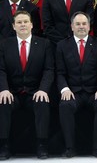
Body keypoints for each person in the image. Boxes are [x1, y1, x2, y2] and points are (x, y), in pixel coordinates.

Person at [0, 11, 54, 160]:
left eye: (25, 22)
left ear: (31, 24)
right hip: (13, 92)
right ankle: (3, 145)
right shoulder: (5, 44)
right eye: (19, 22)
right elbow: (1, 69)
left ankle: (42, 145)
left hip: (35, 92)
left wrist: (43, 90)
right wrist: (3, 89)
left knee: (42, 102)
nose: (22, 24)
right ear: (13, 26)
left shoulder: (44, 44)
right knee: (2, 103)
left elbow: (49, 69)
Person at [56, 11, 97, 158]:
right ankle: (70, 148)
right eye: (78, 24)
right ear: (72, 27)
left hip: (94, 91)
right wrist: (64, 89)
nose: (81, 26)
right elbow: (59, 72)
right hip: (73, 92)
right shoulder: (62, 45)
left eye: (84, 23)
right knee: (65, 105)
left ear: (89, 26)